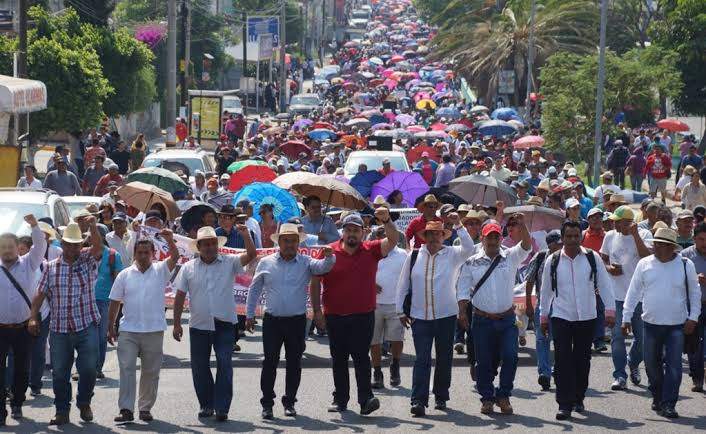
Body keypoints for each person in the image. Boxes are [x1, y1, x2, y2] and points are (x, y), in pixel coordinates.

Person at [310, 208, 399, 415]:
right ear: (342, 231)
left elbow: (393, 240)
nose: (352, 234)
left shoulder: (372, 249)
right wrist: (317, 311)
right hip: (335, 316)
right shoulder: (329, 251)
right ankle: (340, 400)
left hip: (363, 316)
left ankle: (365, 399)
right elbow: (315, 281)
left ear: (363, 232)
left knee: (361, 358)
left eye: (356, 230)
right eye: (348, 230)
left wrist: (386, 220)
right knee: (339, 359)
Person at [245, 224, 335, 419]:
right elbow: (254, 289)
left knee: (294, 363)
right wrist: (249, 315)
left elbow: (324, 267)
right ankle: (267, 404)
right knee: (270, 362)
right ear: (279, 242)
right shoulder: (266, 262)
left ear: (298, 243)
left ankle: (290, 403)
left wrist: (329, 255)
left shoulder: (306, 262)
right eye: (286, 240)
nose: (290, 244)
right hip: (272, 321)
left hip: (296, 322)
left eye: (293, 240)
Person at [172, 225, 256, 421]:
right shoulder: (188, 267)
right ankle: (206, 405)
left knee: (224, 363)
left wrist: (245, 235)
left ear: (217, 245)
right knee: (200, 367)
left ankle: (222, 407)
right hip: (199, 325)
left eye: (212, 243)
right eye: (205, 244)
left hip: (224, 324)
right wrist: (176, 324)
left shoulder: (229, 262)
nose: (209, 247)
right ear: (199, 246)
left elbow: (251, 255)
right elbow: (179, 296)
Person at [28, 217, 104, 425]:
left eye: (76, 244)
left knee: (89, 368)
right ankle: (62, 409)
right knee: (60, 372)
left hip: (86, 325)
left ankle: (84, 402)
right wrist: (33, 317)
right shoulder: (51, 267)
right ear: (62, 244)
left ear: (81, 245)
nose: (72, 248)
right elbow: (39, 294)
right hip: (59, 329)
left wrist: (93, 227)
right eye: (68, 244)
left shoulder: (87, 259)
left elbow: (98, 247)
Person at [397, 215, 473, 417]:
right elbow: (403, 284)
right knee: (421, 358)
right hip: (419, 316)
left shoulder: (452, 254)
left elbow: (470, 248)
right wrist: (399, 310)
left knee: (444, 358)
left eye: (438, 234)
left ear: (443, 236)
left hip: (446, 316)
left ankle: (441, 395)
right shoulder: (414, 256)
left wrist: (459, 225)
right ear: (424, 236)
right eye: (430, 234)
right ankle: (418, 400)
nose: (434, 238)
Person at [539, 221, 616, 420]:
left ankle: (578, 397)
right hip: (561, 316)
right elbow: (546, 290)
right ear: (562, 238)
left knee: (582, 360)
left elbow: (605, 284)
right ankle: (564, 404)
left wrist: (609, 311)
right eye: (569, 236)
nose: (572, 240)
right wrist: (543, 316)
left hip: (587, 317)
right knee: (563, 360)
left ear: (580, 237)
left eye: (576, 236)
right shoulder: (553, 260)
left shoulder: (592, 258)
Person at [456, 217, 532, 415]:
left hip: (507, 319)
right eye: (489, 237)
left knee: (510, 356)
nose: (492, 241)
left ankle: (503, 395)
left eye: (496, 237)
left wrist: (522, 225)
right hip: (481, 320)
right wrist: (462, 311)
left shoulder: (510, 256)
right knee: (483, 361)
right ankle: (487, 398)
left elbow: (526, 244)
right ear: (482, 239)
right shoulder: (471, 262)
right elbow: (463, 289)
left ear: (501, 238)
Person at [622, 227, 701, 419]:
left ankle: (669, 403)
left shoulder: (685, 264)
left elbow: (694, 292)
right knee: (651, 364)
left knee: (674, 365)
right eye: (655, 244)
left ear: (671, 247)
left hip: (677, 325)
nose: (656, 248)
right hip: (650, 324)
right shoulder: (644, 264)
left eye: (661, 245)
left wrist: (693, 317)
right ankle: (657, 395)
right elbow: (633, 292)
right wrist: (625, 317)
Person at [107, 231, 179, 423]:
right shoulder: (124, 275)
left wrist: (170, 239)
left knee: (150, 371)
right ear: (134, 254)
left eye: (147, 253)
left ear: (153, 254)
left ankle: (145, 408)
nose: (143, 256)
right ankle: (126, 409)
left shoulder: (161, 270)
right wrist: (110, 326)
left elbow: (176, 257)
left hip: (153, 330)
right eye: (139, 252)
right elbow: (114, 301)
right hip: (128, 330)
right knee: (127, 368)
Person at [600, 205, 652, 391]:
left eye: (618, 221)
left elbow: (649, 257)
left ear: (629, 223)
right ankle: (619, 375)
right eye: (613, 220)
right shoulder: (610, 236)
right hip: (616, 296)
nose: (613, 224)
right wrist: (609, 269)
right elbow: (602, 258)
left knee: (643, 338)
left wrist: (635, 235)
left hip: (639, 297)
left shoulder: (644, 235)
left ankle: (633, 362)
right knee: (617, 337)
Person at [0, 215, 45, 425]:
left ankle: (17, 402)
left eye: (10, 246)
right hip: (0, 328)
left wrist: (35, 226)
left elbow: (40, 245)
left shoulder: (29, 263)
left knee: (21, 368)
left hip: (23, 327)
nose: (7, 250)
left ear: (18, 248)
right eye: (3, 247)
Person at [369, 226, 407, 389]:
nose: (383, 237)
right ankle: (377, 372)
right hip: (373, 304)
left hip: (395, 304)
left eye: (386, 234)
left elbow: (408, 279)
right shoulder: (370, 253)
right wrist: (370, 284)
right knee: (374, 341)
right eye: (379, 235)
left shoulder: (403, 255)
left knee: (397, 339)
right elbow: (360, 274)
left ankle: (395, 365)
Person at [524, 230, 562, 391]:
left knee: (561, 340)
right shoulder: (540, 257)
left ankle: (559, 371)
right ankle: (544, 374)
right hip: (543, 304)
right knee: (542, 339)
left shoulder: (568, 258)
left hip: (563, 306)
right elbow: (529, 281)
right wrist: (528, 303)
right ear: (550, 244)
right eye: (559, 243)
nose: (562, 245)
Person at [682, 222, 706, 392]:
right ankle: (697, 377)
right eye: (701, 239)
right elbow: (676, 281)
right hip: (693, 307)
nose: (705, 243)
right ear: (694, 239)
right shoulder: (685, 257)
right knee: (694, 344)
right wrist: (693, 279)